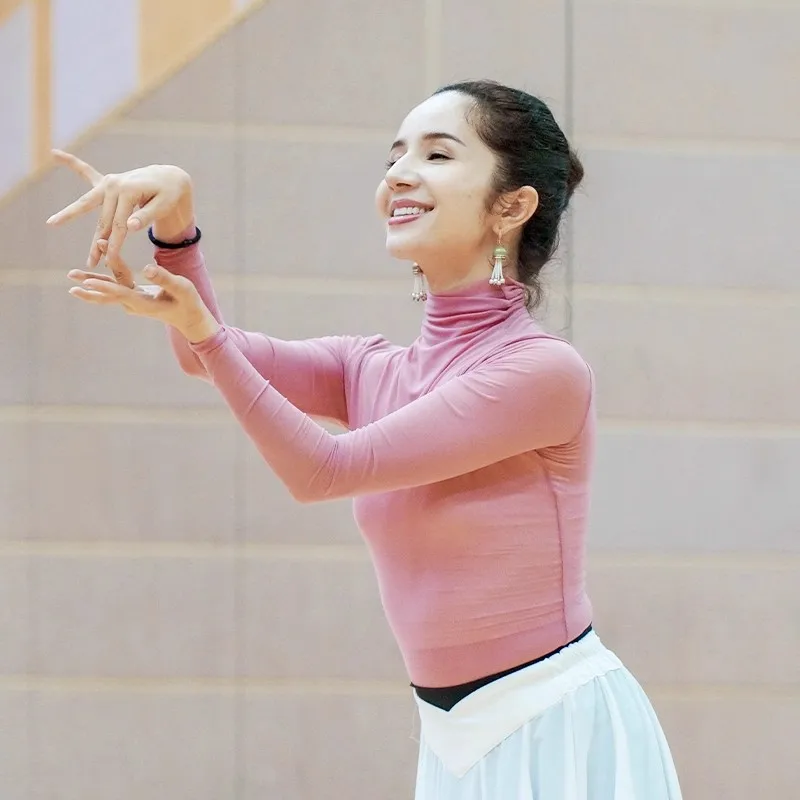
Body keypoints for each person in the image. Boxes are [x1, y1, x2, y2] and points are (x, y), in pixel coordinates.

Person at [48, 80, 683, 799]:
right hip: (452, 739)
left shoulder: (542, 372)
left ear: (511, 206)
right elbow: (206, 356)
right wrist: (176, 226)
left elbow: (321, 469)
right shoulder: (370, 368)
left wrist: (202, 331)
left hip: (555, 728)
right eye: (394, 156)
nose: (400, 174)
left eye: (437, 155)